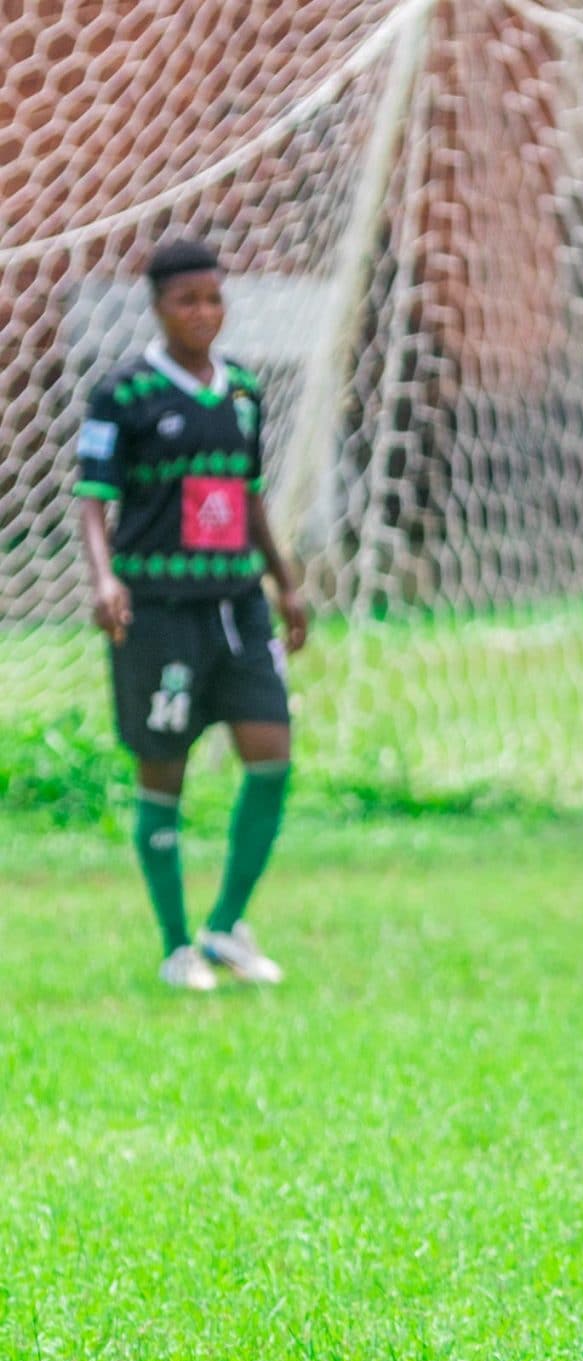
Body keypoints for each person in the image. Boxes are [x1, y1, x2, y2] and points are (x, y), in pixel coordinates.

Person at [75, 237, 310, 990]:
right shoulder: (123, 395)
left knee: (272, 754)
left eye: (213, 298)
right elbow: (92, 499)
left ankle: (226, 926)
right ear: (158, 307)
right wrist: (104, 579)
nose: (204, 312)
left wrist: (285, 583)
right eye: (187, 301)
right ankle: (177, 945)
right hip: (158, 608)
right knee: (163, 772)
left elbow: (247, 495)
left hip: (237, 604)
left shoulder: (242, 390)